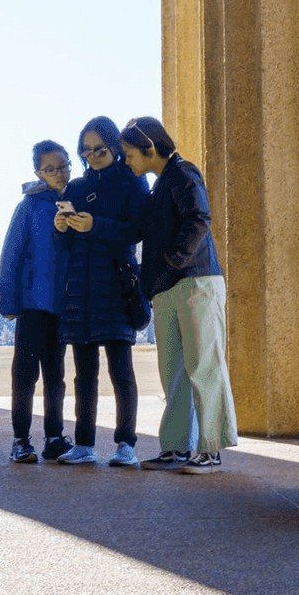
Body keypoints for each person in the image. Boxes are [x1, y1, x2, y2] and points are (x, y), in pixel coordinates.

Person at [121, 115, 237, 473]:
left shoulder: (185, 173)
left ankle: (211, 449)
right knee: (173, 371)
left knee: (204, 366)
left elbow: (199, 219)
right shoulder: (159, 185)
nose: (127, 161)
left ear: (149, 149)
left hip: (196, 282)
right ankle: (176, 447)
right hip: (168, 288)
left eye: (129, 155)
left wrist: (172, 261)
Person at [52, 116, 150, 468]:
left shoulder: (131, 182)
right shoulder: (75, 187)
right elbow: (63, 246)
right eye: (86, 150)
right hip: (80, 287)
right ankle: (84, 444)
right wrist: (62, 227)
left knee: (121, 369)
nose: (92, 155)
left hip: (118, 283)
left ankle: (126, 444)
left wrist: (97, 225)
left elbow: (139, 230)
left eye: (99, 149)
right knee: (84, 372)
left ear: (114, 146)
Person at [0, 140, 74, 464]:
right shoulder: (28, 207)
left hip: (61, 307)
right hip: (31, 306)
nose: (59, 173)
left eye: (63, 165)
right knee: (25, 375)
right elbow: (10, 255)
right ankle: (21, 440)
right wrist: (9, 303)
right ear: (39, 173)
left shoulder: (75, 202)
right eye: (50, 169)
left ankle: (54, 438)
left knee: (56, 376)